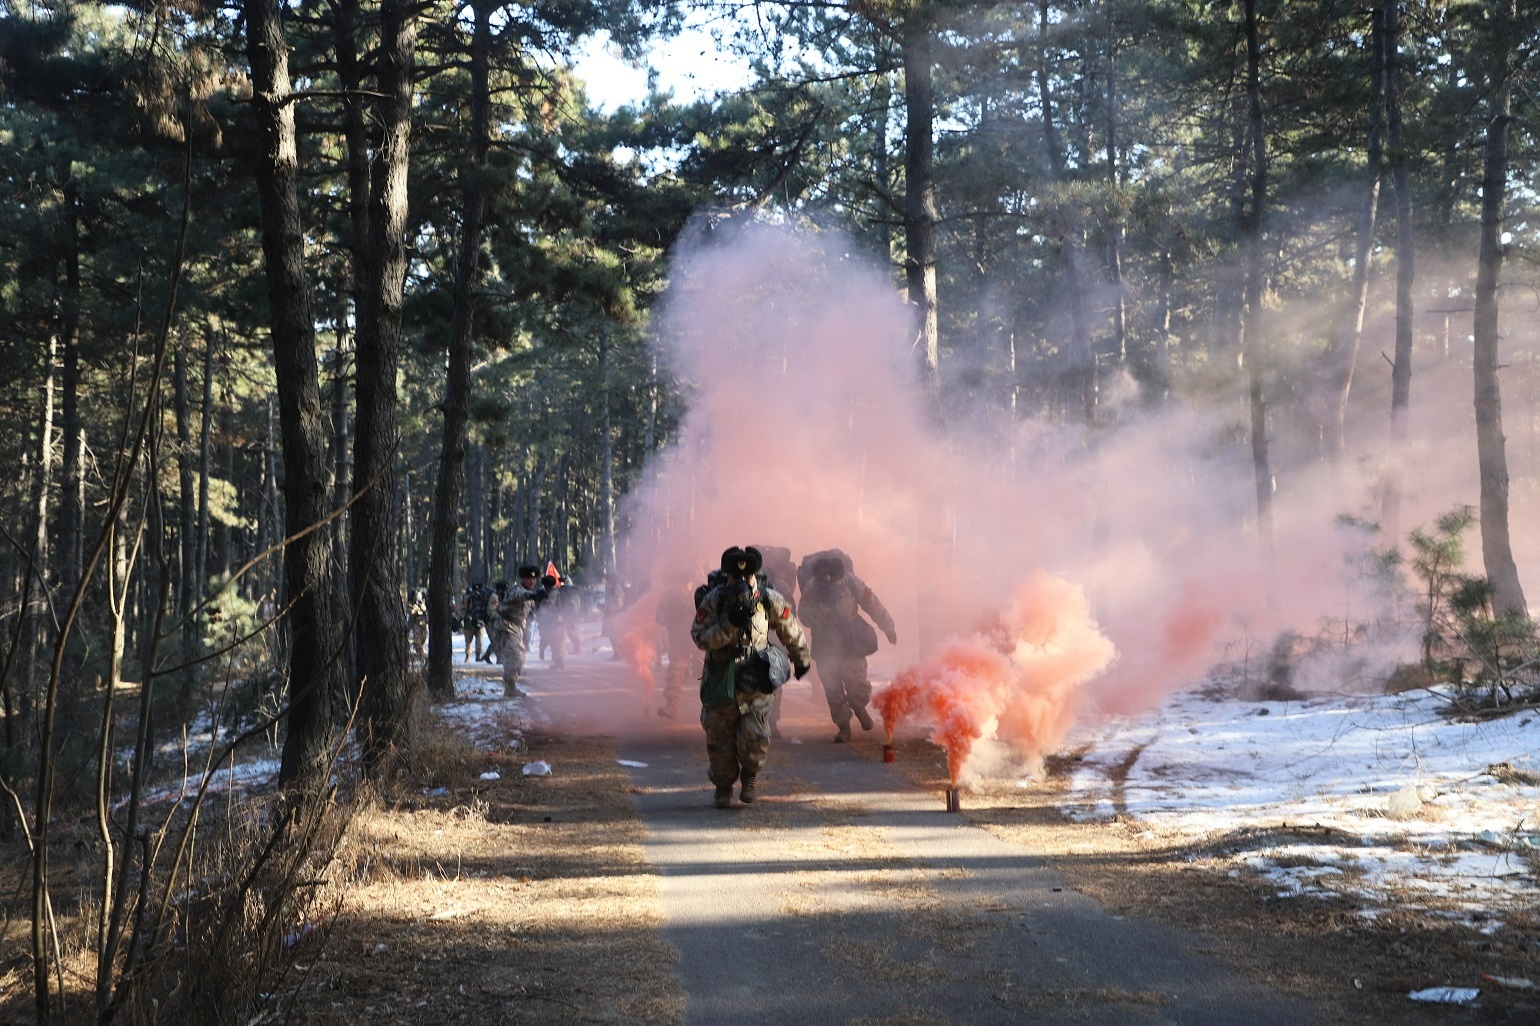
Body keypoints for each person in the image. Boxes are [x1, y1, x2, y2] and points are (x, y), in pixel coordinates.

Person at [692, 545, 811, 809]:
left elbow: (790, 628)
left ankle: (750, 777)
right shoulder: (714, 600)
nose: (743, 581)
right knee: (719, 740)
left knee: (755, 737)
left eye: (748, 577)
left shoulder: (769, 599)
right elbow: (700, 637)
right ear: (728, 577)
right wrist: (730, 624)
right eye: (737, 577)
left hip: (754, 681)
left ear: (756, 575)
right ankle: (722, 788)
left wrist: (801, 657)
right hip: (721, 680)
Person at [795, 549, 897, 742]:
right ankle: (844, 727)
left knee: (857, 685)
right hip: (825, 645)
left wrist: (888, 627)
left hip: (852, 643)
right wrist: (824, 606)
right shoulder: (812, 587)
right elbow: (804, 616)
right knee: (833, 691)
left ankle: (859, 707)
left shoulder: (851, 583)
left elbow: (872, 604)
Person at [750, 544, 798, 739]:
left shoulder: (779, 586)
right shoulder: (751, 585)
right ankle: (765, 722)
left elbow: (789, 615)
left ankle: (769, 722)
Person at [655, 569, 704, 719]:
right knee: (676, 669)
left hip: (699, 637)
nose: (683, 587)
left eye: (686, 583)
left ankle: (711, 705)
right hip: (678, 638)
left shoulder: (701, 593)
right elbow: (659, 618)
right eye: (680, 583)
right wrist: (673, 615)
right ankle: (672, 705)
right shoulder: (669, 596)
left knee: (703, 668)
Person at [495, 566, 547, 696]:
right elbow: (520, 595)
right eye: (529, 578)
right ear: (522, 578)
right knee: (514, 656)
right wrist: (533, 595)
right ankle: (510, 689)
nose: (532, 581)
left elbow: (532, 610)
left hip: (516, 627)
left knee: (520, 657)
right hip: (506, 626)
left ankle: (511, 685)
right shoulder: (516, 590)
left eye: (534, 579)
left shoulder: (529, 594)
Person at [461, 582, 491, 662]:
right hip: (480, 620)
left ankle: (467, 656)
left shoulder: (467, 597)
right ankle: (478, 656)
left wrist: (462, 617)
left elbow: (463, 608)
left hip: (468, 620)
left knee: (468, 640)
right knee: (479, 639)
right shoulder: (484, 595)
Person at [483, 580, 510, 665]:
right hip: (491, 622)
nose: (505, 591)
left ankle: (487, 654)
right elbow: (491, 611)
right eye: (504, 589)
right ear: (500, 589)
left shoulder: (502, 597)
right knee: (496, 640)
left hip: (498, 622)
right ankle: (500, 659)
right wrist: (501, 616)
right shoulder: (494, 597)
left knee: (499, 640)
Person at [407, 587, 428, 660]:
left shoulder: (424, 600)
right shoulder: (412, 602)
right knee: (417, 638)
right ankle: (419, 652)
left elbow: (426, 609)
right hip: (416, 621)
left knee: (424, 637)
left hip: (424, 621)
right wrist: (414, 608)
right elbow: (410, 610)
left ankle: (420, 650)